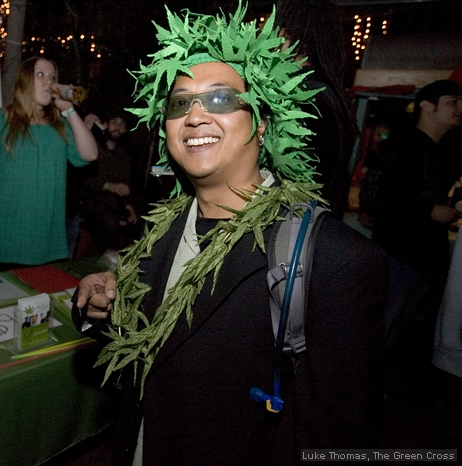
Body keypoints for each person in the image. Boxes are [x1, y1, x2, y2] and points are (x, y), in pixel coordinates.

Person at [72, 5, 389, 465]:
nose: (195, 116)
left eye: (220, 99)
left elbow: (341, 434)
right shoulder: (159, 230)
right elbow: (154, 350)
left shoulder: (334, 261)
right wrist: (102, 306)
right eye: (180, 102)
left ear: (261, 120)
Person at [0, 56, 97, 270]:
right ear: (24, 80)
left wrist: (69, 110)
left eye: (52, 77)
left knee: (41, 302)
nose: (48, 81)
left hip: (47, 238)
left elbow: (90, 155)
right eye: (40, 74)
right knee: (8, 300)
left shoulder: (59, 124)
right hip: (8, 237)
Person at [365, 80, 462, 344]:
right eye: (452, 101)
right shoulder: (402, 147)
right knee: (376, 333)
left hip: (424, 261)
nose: (459, 108)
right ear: (426, 106)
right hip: (398, 257)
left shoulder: (444, 152)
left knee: (395, 336)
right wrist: (428, 212)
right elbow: (373, 199)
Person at [274, 0, 358, 220]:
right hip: (318, 223)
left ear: (285, 34)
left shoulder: (301, 97)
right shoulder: (331, 95)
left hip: (289, 225)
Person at [79, 114, 139, 253]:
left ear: (125, 130)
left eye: (122, 124)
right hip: (91, 200)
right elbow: (85, 180)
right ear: (105, 124)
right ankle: (108, 264)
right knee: (110, 222)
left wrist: (129, 205)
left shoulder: (124, 156)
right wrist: (110, 186)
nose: (117, 127)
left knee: (140, 223)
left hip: (114, 203)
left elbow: (125, 184)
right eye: (114, 121)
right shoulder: (93, 147)